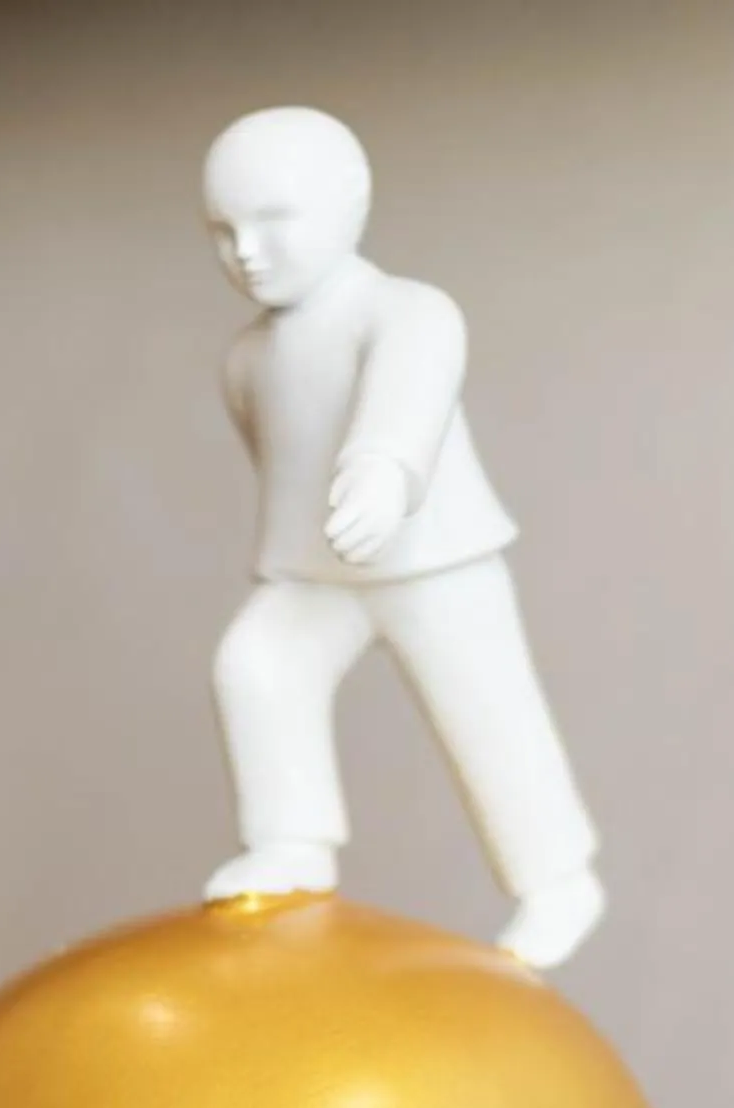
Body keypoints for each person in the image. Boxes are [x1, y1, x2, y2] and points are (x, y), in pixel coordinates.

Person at [199, 106, 609, 970]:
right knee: (258, 666)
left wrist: (383, 472)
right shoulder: (246, 359)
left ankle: (558, 881)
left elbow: (408, 401)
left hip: (433, 563)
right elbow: (274, 459)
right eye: (224, 232)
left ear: (351, 204)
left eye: (272, 221)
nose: (247, 252)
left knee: (486, 711)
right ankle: (292, 841)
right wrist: (304, 542)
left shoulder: (407, 312)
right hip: (316, 574)